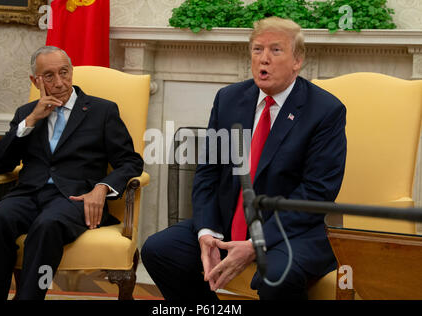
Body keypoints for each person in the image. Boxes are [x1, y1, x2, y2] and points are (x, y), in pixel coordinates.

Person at [141, 17, 347, 300]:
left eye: (275, 50)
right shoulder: (228, 99)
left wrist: (256, 243)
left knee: (277, 276)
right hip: (229, 222)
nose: (264, 59)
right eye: (257, 49)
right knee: (160, 250)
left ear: (297, 61)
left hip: (290, 231)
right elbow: (207, 173)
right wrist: (207, 232)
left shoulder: (325, 110)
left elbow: (316, 194)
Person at [0, 46, 144, 300]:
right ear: (35, 80)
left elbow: (130, 162)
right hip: (28, 194)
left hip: (74, 198)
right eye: (49, 76)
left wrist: (102, 188)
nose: (60, 83)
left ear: (72, 71)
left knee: (47, 225)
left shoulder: (102, 111)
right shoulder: (26, 113)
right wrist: (30, 122)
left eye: (64, 72)